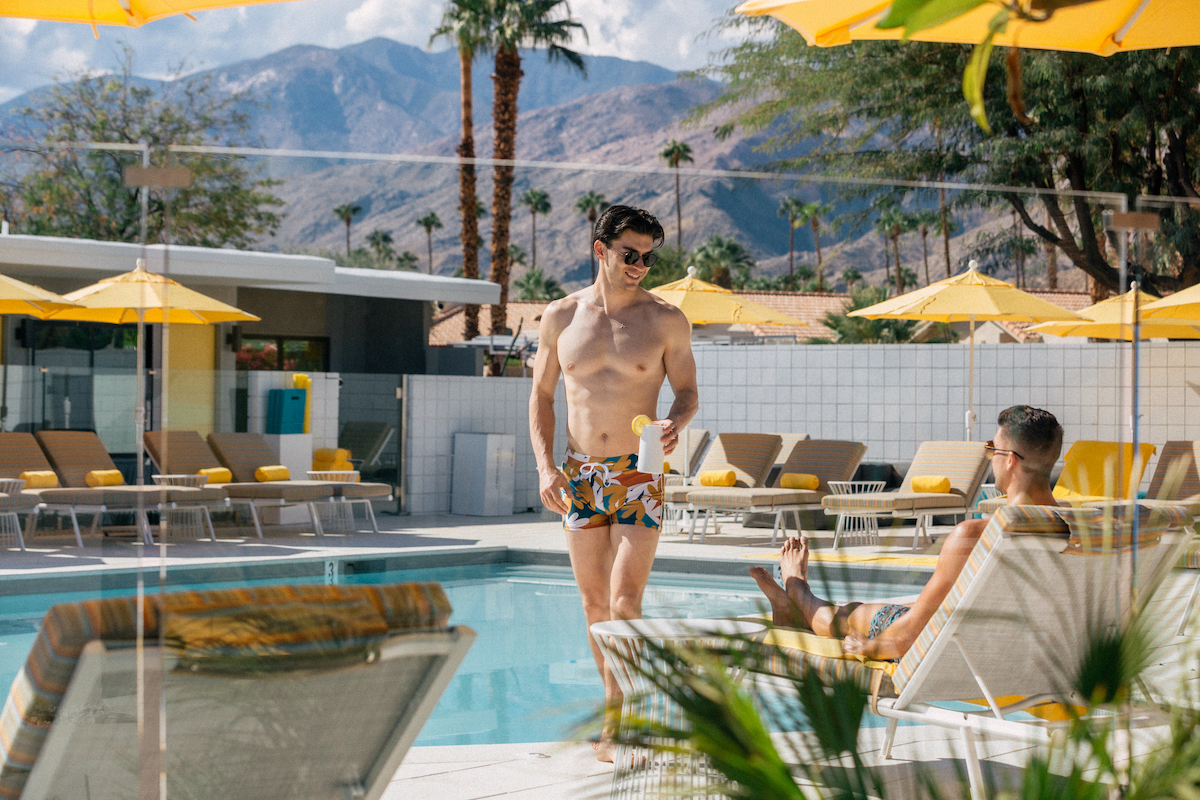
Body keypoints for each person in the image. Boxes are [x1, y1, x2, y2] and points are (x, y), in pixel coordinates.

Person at [529, 204, 698, 762]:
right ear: (600, 249)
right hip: (578, 474)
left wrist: (678, 420)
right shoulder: (559, 317)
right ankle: (612, 717)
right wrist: (545, 466)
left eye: (649, 257)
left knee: (626, 603)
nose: (641, 266)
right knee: (593, 603)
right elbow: (543, 395)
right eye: (631, 254)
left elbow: (688, 391)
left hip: (639, 472)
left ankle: (631, 722)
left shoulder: (666, 319)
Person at [750, 405, 1062, 663]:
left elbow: (902, 640)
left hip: (955, 658)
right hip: (1026, 660)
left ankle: (797, 591)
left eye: (991, 447)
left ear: (1009, 460)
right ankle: (791, 606)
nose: (988, 455)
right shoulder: (1080, 530)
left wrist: (868, 647)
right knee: (913, 608)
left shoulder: (973, 536)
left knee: (852, 615)